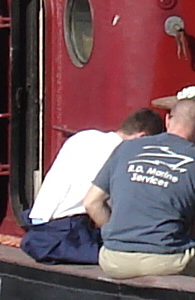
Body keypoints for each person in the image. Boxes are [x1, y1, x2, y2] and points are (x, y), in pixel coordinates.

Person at [83, 96, 195, 281]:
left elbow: (91, 203)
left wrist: (118, 236)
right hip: (166, 260)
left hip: (113, 260)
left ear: (167, 120)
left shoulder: (126, 148)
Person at [22, 109, 161, 264]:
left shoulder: (83, 137)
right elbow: (95, 205)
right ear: (142, 137)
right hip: (65, 233)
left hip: (37, 224)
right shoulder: (122, 156)